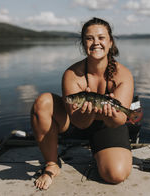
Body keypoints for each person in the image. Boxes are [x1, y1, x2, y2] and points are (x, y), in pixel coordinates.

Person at [31, 17, 134, 190]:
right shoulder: (72, 74)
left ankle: (102, 153)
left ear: (110, 42)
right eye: (89, 38)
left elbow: (119, 121)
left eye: (101, 38)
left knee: (115, 175)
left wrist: (111, 114)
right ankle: (52, 164)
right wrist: (89, 112)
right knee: (43, 102)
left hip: (107, 125)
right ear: (83, 43)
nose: (96, 43)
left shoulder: (123, 75)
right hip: (77, 121)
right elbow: (78, 121)